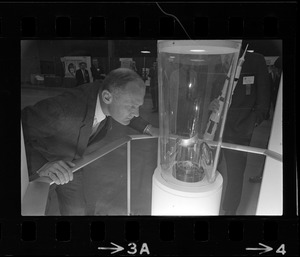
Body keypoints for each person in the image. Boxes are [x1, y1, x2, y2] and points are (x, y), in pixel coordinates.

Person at [21, 68, 158, 215]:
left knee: (77, 210)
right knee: (39, 209)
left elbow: (125, 107)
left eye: (138, 106)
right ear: (106, 97)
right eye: (132, 106)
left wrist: (148, 128)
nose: (136, 113)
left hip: (72, 164)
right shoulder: (62, 111)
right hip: (43, 166)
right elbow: (20, 130)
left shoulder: (107, 92)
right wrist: (42, 166)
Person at [210, 50, 270, 215]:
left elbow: (264, 95)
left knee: (235, 173)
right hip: (214, 126)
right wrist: (210, 103)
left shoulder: (255, 60)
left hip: (240, 130)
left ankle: (230, 211)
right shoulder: (216, 58)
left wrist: (253, 121)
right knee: (208, 166)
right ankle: (207, 203)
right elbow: (209, 88)